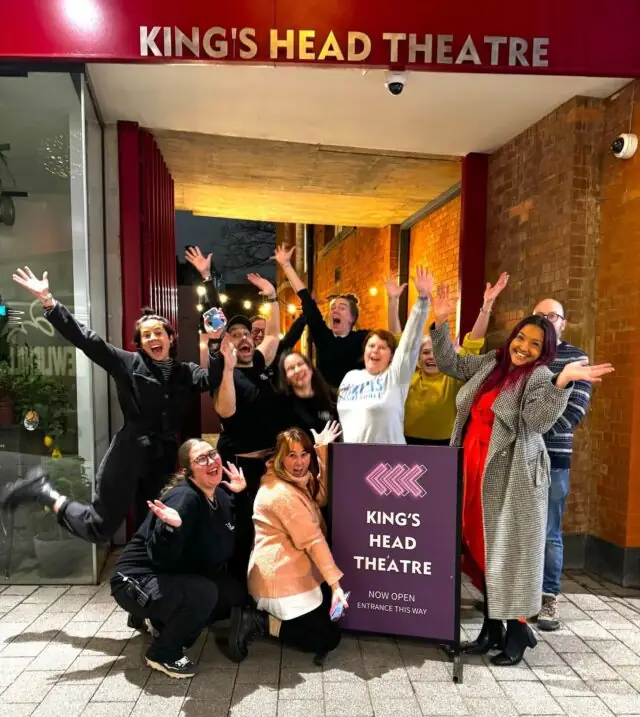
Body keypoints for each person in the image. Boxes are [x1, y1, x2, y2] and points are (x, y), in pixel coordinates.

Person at [429, 287, 614, 666]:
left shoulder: (539, 376)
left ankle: (517, 632)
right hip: (472, 469)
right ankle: (492, 628)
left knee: (507, 553)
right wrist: (442, 320)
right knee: (478, 549)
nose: (524, 347)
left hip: (511, 475)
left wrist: (562, 382)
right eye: (521, 338)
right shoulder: (491, 364)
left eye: (535, 344)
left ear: (544, 351)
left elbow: (537, 420)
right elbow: (448, 362)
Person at [0, 267, 225, 546]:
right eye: (146, 336)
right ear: (140, 344)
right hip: (129, 453)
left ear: (170, 338)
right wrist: (49, 302)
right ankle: (43, 491)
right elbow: (87, 340)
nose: (153, 338)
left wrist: (215, 342)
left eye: (158, 333)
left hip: (164, 459)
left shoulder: (186, 373)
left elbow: (213, 378)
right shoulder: (128, 364)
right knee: (100, 526)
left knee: (157, 522)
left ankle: (145, 579)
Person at [110, 439, 248, 678]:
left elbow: (235, 531)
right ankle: (163, 653)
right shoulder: (184, 499)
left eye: (212, 454)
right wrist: (171, 529)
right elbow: (160, 557)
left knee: (231, 593)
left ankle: (159, 620)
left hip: (167, 575)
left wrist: (241, 495)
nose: (211, 461)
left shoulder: (220, 497)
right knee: (204, 593)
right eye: (201, 459)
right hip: (135, 580)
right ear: (188, 471)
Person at [227, 423, 347, 665]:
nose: (300, 462)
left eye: (304, 454)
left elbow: (320, 496)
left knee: (329, 614)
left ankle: (271, 617)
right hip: (279, 581)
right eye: (292, 455)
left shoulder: (293, 481)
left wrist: (320, 448)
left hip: (296, 570)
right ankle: (258, 621)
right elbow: (314, 541)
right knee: (329, 638)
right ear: (280, 458)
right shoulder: (280, 493)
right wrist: (336, 586)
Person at [212, 273, 281, 580]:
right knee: (240, 529)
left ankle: (262, 586)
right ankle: (237, 595)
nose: (243, 338)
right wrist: (227, 369)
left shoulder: (259, 363)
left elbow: (276, 336)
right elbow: (225, 411)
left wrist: (272, 296)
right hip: (240, 466)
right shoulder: (225, 375)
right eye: (235, 334)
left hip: (268, 464)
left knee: (266, 527)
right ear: (227, 342)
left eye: (246, 333)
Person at [532, 298, 593, 632]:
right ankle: (521, 595)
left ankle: (548, 597)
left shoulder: (576, 357)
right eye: (538, 315)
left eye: (551, 316)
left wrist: (530, 425)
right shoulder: (524, 353)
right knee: (521, 529)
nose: (544, 321)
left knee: (550, 532)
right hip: (519, 460)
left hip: (554, 458)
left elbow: (574, 413)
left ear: (563, 323)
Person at [394, 274, 508, 445]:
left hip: (445, 444)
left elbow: (473, 343)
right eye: (425, 352)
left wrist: (487, 305)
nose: (431, 356)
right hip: (407, 441)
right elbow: (398, 340)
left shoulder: (453, 375)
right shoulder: (411, 374)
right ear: (418, 357)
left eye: (435, 352)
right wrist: (393, 301)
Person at [337, 267, 433, 444]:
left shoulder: (396, 377)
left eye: (382, 348)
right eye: (371, 346)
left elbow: (408, 346)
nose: (375, 350)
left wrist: (422, 301)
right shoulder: (350, 378)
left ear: (391, 356)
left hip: (388, 462)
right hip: (353, 460)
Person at [274, 244, 370, 388]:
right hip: (326, 400)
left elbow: (396, 340)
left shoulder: (363, 338)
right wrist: (286, 265)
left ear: (351, 318)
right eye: (333, 308)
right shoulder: (323, 336)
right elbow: (306, 299)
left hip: (354, 401)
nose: (335, 310)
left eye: (342, 308)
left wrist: (393, 301)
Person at [277, 351, 338, 442]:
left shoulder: (332, 396)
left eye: (300, 364)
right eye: (291, 368)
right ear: (286, 379)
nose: (297, 370)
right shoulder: (282, 406)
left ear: (310, 368)